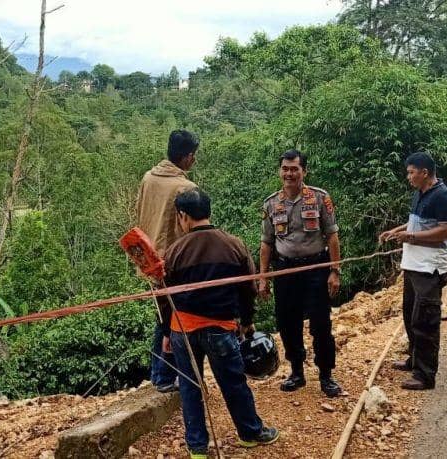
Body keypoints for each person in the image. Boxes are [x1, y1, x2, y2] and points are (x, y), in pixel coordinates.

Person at [162, 188, 280, 458]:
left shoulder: (174, 252)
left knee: (190, 387)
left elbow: (165, 296)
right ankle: (250, 433)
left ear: (183, 216)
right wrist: (247, 322)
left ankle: (197, 448)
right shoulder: (233, 245)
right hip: (221, 330)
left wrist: (167, 331)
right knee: (233, 382)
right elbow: (248, 289)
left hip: (183, 331)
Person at [258, 149, 344, 398]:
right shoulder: (271, 204)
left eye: (294, 169)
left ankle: (326, 375)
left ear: (304, 171)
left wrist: (334, 271)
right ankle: (296, 372)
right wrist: (263, 277)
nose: (289, 174)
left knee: (321, 323)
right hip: (285, 270)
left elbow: (332, 236)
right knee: (287, 323)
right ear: (280, 171)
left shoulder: (319, 198)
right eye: (285, 169)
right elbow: (266, 243)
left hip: (315, 269)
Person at [379, 151, 447, 390]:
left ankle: (425, 375)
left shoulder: (443, 196)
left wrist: (410, 236)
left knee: (425, 322)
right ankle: (414, 360)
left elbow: (446, 231)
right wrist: (397, 230)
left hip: (429, 268)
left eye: (411, 172)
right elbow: (416, 222)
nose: (408, 177)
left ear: (424, 172)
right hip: (413, 265)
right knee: (410, 315)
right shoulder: (420, 193)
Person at [135, 129, 199, 393]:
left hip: (149, 258)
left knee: (163, 316)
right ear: (187, 156)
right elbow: (192, 229)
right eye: (193, 155)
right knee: (176, 318)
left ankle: (160, 374)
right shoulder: (186, 188)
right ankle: (166, 376)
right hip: (175, 261)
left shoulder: (148, 178)